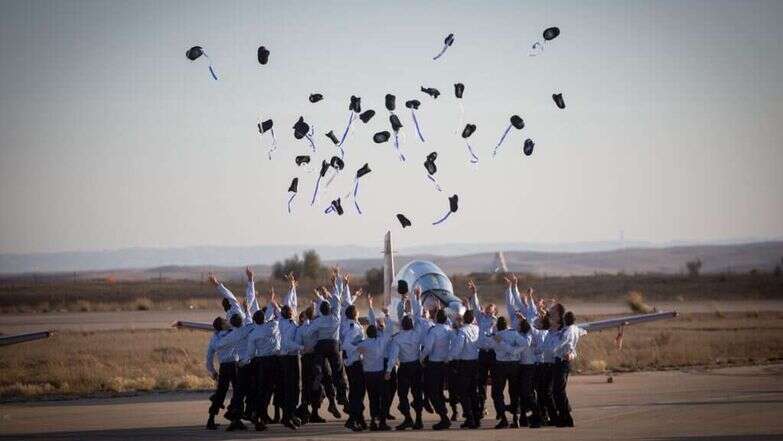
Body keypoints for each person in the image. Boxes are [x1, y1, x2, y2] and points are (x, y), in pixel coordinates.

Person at [303, 285, 348, 408]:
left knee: (319, 364)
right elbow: (337, 301)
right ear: (330, 309)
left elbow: (307, 333)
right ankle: (342, 396)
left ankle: (318, 375)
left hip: (321, 345)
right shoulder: (336, 317)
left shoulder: (318, 321)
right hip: (334, 345)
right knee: (338, 370)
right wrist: (333, 288)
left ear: (321, 311)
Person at [485, 316, 530, 429]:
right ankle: (515, 418)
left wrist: (511, 349)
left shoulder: (496, 336)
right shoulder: (514, 334)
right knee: (514, 392)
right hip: (514, 365)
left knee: (497, 393)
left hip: (501, 366)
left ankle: (503, 418)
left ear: (498, 326)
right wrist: (516, 351)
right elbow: (525, 343)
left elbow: (486, 346)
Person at [355, 298, 393, 431]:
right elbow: (389, 331)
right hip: (379, 374)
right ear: (376, 333)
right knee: (384, 397)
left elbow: (356, 349)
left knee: (372, 398)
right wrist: (387, 315)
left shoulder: (363, 344)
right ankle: (382, 421)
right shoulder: (380, 342)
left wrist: (371, 307)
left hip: (368, 375)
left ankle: (373, 421)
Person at [387, 299, 425, 430]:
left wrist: (388, 370)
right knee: (417, 393)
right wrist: (416, 299)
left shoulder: (398, 338)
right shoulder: (417, 334)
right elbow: (419, 318)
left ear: (402, 326)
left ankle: (408, 418)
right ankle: (419, 420)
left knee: (402, 394)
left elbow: (393, 356)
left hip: (404, 368)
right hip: (416, 366)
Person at [246, 301, 282, 431]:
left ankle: (259, 416)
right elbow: (279, 317)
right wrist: (273, 303)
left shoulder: (253, 334)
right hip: (274, 361)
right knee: (273, 389)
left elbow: (251, 353)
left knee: (263, 390)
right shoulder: (273, 326)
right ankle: (264, 415)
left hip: (261, 362)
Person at [467, 280, 497, 419]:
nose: (488, 310)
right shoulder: (481, 318)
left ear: (495, 311)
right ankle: (481, 406)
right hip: (482, 354)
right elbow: (475, 306)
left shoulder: (496, 321)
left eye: (491, 309)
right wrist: (474, 293)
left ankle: (499, 408)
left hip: (493, 354)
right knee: (481, 381)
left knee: (496, 382)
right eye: (487, 308)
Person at [448, 308, 481, 429]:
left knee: (463, 392)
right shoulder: (477, 329)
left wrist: (450, 357)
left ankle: (470, 417)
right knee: (473, 392)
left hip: (465, 364)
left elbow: (458, 348)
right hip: (475, 362)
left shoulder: (462, 331)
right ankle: (476, 418)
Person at [552, 311, 586, 427]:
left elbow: (560, 343)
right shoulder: (575, 329)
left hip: (561, 361)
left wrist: (552, 348)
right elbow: (583, 331)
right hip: (565, 361)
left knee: (558, 391)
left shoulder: (567, 332)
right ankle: (565, 417)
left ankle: (565, 417)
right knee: (559, 390)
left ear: (565, 320)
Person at [421, 308, 452, 430]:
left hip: (434, 364)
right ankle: (444, 414)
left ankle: (444, 417)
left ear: (436, 318)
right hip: (445, 364)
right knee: (439, 392)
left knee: (433, 392)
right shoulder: (449, 330)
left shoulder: (434, 331)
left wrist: (421, 358)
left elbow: (428, 348)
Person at [205, 316, 237, 430]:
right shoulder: (233, 333)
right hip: (234, 366)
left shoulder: (215, 338)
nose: (228, 322)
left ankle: (211, 419)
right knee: (238, 392)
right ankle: (234, 417)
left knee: (220, 393)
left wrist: (212, 371)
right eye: (225, 321)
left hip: (223, 367)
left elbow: (209, 356)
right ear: (223, 326)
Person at [341, 298, 367, 431]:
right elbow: (346, 344)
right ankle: (352, 420)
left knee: (354, 391)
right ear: (355, 314)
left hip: (350, 362)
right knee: (359, 392)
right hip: (355, 362)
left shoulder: (346, 325)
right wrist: (358, 348)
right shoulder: (354, 327)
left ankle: (359, 419)